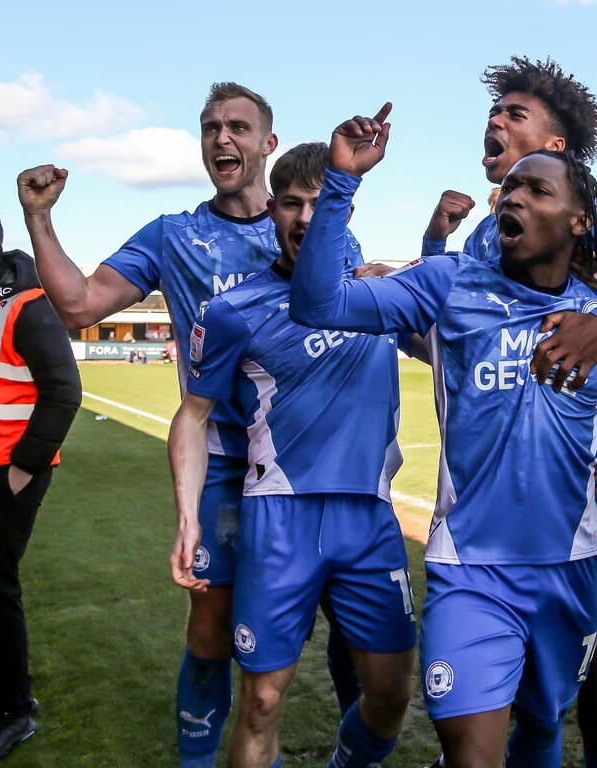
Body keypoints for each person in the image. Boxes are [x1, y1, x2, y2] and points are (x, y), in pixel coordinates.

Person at [289, 104, 597, 768]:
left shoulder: (596, 321)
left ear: (581, 222)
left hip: (572, 568)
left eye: (538, 188)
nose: (514, 195)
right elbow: (318, 303)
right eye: (511, 187)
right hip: (471, 571)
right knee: (473, 755)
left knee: (543, 732)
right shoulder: (448, 287)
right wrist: (342, 181)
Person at [419, 56, 597, 767]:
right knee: (530, 691)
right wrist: (430, 249)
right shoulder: (484, 238)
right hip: (496, 482)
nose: (496, 121)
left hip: (577, 471)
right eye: (496, 112)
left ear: (556, 148)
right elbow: (457, 339)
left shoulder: (593, 215)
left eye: (516, 114)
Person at [16, 82, 285, 768]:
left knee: (347, 628)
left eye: (238, 127)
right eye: (209, 128)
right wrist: (40, 219)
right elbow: (78, 306)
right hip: (222, 460)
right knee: (210, 625)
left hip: (310, 465)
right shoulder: (173, 235)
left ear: (268, 144)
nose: (222, 138)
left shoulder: (306, 223)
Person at [170, 142, 416, 768]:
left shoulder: (381, 295)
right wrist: (189, 515)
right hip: (279, 521)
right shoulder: (231, 311)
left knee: (390, 696)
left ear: (344, 210)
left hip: (370, 517)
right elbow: (193, 415)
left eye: (318, 202)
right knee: (260, 702)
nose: (305, 218)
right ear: (272, 210)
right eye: (290, 203)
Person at [0, 207, 81, 768]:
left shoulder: (25, 307)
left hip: (3, 478)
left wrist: (22, 469)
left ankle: (15, 712)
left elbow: (63, 391)